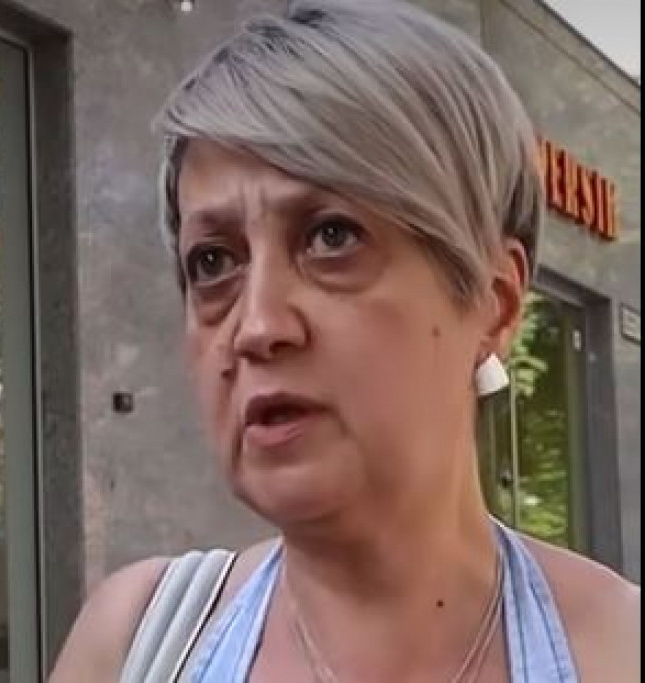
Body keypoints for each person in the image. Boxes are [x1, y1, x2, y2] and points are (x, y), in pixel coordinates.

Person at [50, 1, 640, 681]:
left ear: (493, 302)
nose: (258, 326)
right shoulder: (134, 644)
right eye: (212, 262)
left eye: (331, 236)